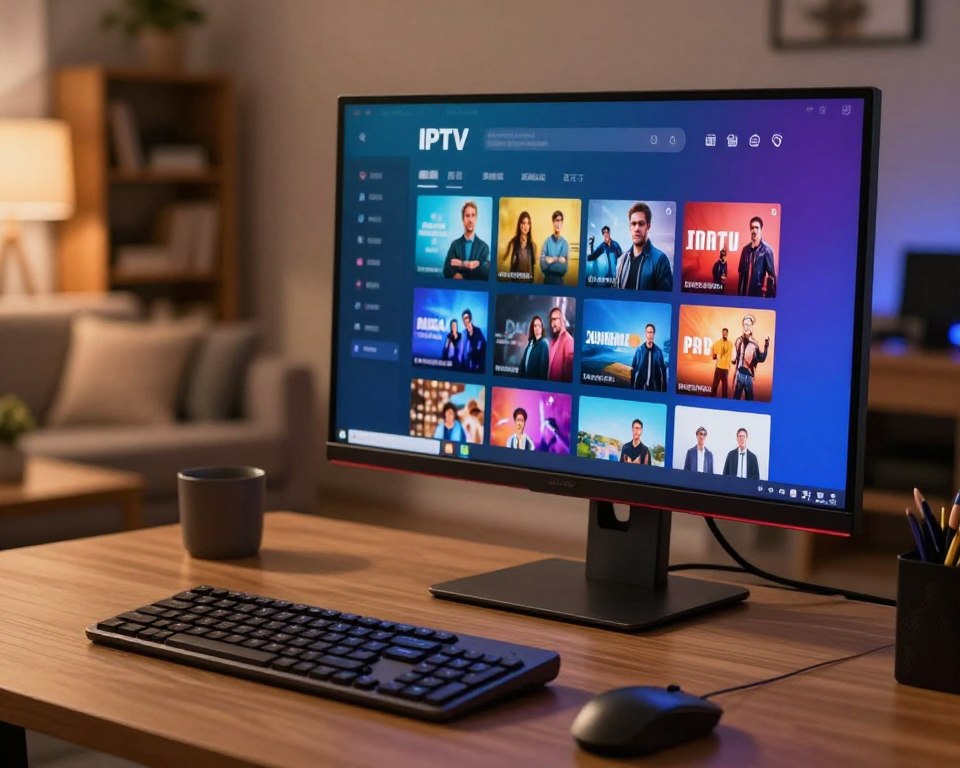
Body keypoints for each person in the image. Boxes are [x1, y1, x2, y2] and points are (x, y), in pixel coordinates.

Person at [614, 202, 673, 291]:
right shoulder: (621, 260)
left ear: (648, 226)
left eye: (641, 224)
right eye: (633, 224)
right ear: (629, 227)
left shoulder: (660, 260)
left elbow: (665, 300)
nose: (636, 228)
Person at [443, 201, 490, 280]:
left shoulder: (484, 247)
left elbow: (485, 273)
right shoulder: (455, 245)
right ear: (463, 219)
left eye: (473, 216)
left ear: (476, 218)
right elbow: (447, 270)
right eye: (467, 216)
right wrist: (474, 265)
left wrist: (462, 265)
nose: (470, 220)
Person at [737, 216, 776, 297]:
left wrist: (769, 301)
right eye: (752, 228)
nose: (754, 230)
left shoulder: (767, 250)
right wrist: (739, 296)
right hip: (744, 295)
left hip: (758, 295)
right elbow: (741, 276)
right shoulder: (745, 250)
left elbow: (772, 277)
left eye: (756, 228)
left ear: (761, 230)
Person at [732, 314, 769, 401]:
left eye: (748, 325)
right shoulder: (738, 341)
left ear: (752, 326)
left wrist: (766, 347)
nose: (746, 327)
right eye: (744, 324)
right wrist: (733, 360)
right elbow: (735, 358)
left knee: (749, 400)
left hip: (749, 377)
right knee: (735, 399)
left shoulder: (754, 343)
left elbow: (761, 359)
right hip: (739, 375)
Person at [630, 323, 667, 392]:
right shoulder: (639, 350)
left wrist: (664, 389)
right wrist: (632, 386)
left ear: (654, 334)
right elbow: (633, 368)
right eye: (648, 332)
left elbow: (663, 370)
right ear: (645, 334)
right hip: (639, 387)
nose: (650, 335)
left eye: (651, 332)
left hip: (654, 388)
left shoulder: (658, 352)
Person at [539, 210, 569, 285]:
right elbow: (543, 266)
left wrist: (551, 259)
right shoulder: (546, 242)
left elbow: (563, 269)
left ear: (562, 223)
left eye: (560, 221)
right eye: (556, 221)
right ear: (553, 222)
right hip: (547, 282)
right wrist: (559, 259)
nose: (558, 224)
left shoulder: (564, 244)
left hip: (560, 283)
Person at [505, 211, 535, 281]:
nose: (526, 226)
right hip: (515, 285)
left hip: (528, 286)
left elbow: (532, 269)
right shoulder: (512, 243)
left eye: (528, 223)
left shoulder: (532, 245)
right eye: (523, 223)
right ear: (519, 225)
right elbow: (508, 267)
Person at [547, 306, 573, 382]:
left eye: (555, 319)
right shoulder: (552, 342)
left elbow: (568, 376)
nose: (552, 324)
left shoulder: (568, 341)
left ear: (562, 320)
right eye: (551, 320)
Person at [519, 315, 549, 379]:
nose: (537, 327)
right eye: (535, 326)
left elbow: (543, 368)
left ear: (542, 327)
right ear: (532, 328)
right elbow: (523, 362)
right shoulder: (531, 343)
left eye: (539, 325)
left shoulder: (544, 344)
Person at [711, 327, 732, 398]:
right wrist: (714, 356)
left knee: (724, 388)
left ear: (727, 334)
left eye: (726, 333)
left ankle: (724, 403)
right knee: (714, 386)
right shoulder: (718, 342)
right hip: (718, 367)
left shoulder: (730, 344)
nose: (724, 334)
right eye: (723, 332)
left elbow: (728, 353)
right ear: (722, 333)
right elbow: (712, 348)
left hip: (725, 368)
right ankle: (712, 400)